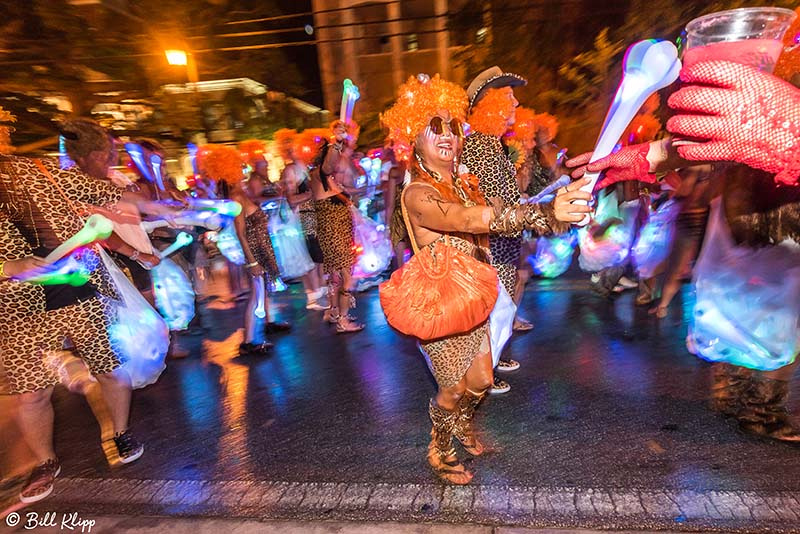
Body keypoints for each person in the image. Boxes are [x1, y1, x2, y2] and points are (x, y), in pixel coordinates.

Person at [567, 60, 800, 443]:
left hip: (771, 222)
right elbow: (717, 147)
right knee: (759, 312)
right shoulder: (753, 128)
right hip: (753, 225)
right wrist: (654, 155)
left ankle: (747, 402)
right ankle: (756, 409)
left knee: (767, 313)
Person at [380, 73, 592, 484]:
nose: (448, 135)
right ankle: (439, 447)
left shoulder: (462, 182)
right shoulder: (418, 194)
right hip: (441, 304)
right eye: (434, 126)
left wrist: (553, 204)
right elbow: (470, 218)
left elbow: (498, 214)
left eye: (454, 126)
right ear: (413, 137)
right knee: (454, 389)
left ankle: (460, 424)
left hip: (477, 293)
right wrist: (541, 215)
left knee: (479, 381)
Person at [0, 118, 145, 503]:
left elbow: (92, 188)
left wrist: (157, 201)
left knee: (109, 369)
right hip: (19, 304)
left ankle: (120, 432)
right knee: (31, 394)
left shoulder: (33, 169)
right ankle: (44, 461)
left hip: (80, 287)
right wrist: (7, 267)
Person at [462, 66, 529, 393]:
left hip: (503, 239)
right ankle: (482, 371)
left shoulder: (491, 143)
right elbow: (488, 202)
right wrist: (527, 210)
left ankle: (494, 355)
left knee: (499, 307)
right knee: (492, 309)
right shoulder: (480, 146)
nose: (516, 103)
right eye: (508, 97)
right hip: (494, 242)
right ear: (490, 105)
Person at [199, 145, 288, 356]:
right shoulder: (237, 196)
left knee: (261, 291)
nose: (242, 168)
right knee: (255, 294)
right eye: (237, 166)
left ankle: (261, 331)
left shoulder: (241, 193)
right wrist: (252, 262)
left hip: (261, 245)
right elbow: (241, 233)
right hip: (255, 249)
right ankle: (249, 341)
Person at [308, 123, 364, 333]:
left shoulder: (324, 178)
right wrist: (337, 142)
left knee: (336, 275)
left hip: (336, 230)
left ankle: (333, 311)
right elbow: (328, 166)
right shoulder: (320, 173)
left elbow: (342, 190)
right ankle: (343, 319)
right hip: (334, 231)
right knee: (346, 276)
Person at [276, 129, 327, 310]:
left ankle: (318, 293)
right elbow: (291, 199)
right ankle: (314, 296)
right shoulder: (291, 171)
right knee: (310, 258)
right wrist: (311, 194)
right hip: (301, 220)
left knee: (315, 257)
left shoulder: (303, 168)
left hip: (309, 217)